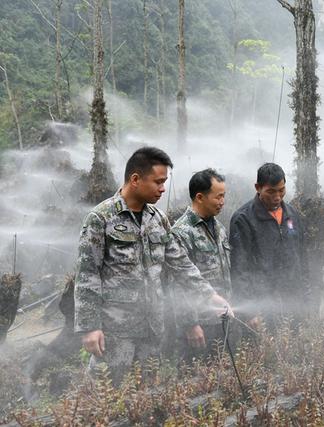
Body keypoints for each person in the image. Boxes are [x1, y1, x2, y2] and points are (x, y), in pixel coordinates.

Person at [74, 147, 231, 383]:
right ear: (135, 179)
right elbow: (87, 275)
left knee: (147, 398)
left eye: (164, 182)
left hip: (152, 330)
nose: (163, 188)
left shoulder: (158, 219)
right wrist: (89, 327)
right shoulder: (101, 218)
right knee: (107, 397)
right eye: (158, 182)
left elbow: (181, 265)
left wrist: (209, 295)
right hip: (116, 332)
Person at [229, 163, 309, 329]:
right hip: (261, 306)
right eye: (271, 191)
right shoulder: (243, 219)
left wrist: (306, 296)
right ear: (258, 187)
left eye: (281, 190)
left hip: (292, 302)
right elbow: (239, 268)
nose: (278, 196)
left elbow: (302, 257)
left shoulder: (292, 214)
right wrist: (249, 313)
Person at [171, 168, 232, 360]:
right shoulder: (181, 232)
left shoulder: (219, 228)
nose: (222, 202)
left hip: (221, 319)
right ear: (199, 197)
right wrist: (190, 324)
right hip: (200, 324)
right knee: (197, 377)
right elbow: (177, 282)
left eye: (224, 196)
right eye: (218, 197)